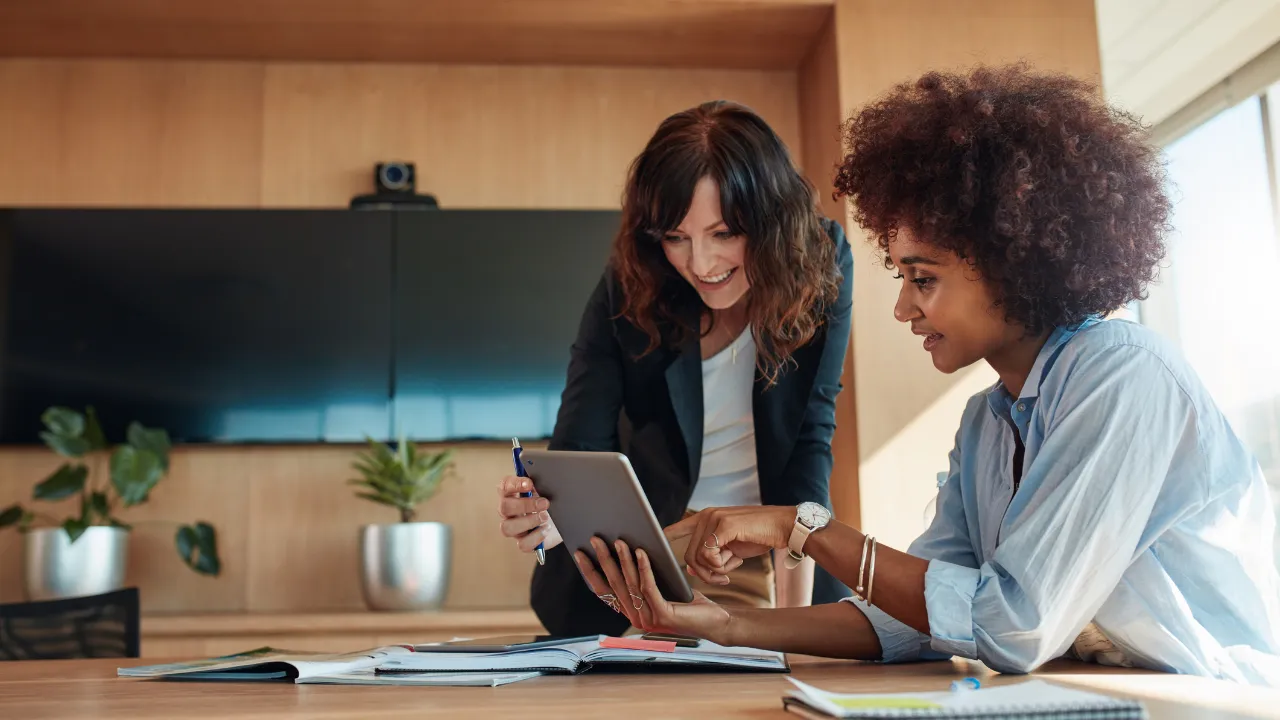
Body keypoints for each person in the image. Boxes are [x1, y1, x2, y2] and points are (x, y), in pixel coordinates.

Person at [574, 64, 1280, 686]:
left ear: (1012, 261)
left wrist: (803, 526)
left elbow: (1012, 625)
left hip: (1212, 694)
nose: (903, 305)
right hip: (1094, 689)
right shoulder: (987, 424)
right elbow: (913, 621)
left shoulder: (1123, 377)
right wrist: (723, 628)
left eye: (924, 278)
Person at [496, 100, 855, 637]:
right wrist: (548, 514)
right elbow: (579, 447)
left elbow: (810, 437)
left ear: (773, 221)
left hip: (772, 559)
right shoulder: (632, 281)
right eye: (675, 237)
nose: (701, 265)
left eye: (725, 233)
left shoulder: (820, 263)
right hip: (643, 567)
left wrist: (795, 624)